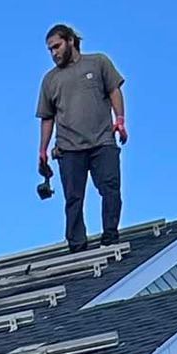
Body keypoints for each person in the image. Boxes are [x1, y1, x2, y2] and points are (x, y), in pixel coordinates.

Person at [35, 26, 127, 251]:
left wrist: (120, 120)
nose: (54, 53)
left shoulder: (97, 62)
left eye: (57, 46)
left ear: (71, 41)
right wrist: (42, 150)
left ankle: (110, 236)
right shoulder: (50, 80)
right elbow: (47, 117)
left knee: (110, 189)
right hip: (69, 147)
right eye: (50, 50)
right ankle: (77, 244)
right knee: (73, 199)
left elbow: (114, 90)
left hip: (102, 140)